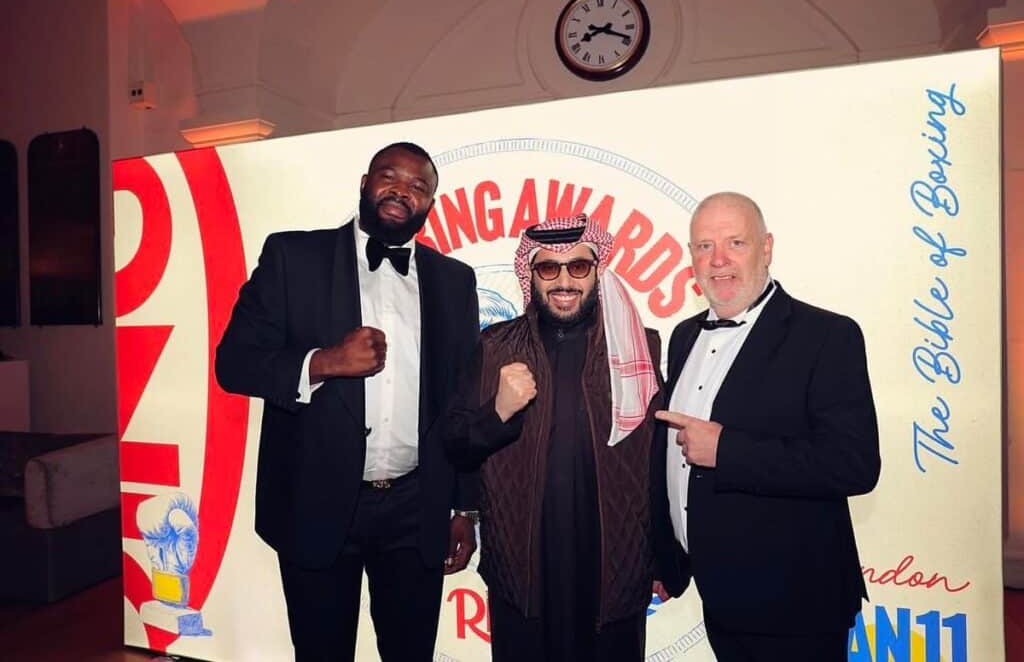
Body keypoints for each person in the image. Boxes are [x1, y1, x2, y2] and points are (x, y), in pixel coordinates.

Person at [215, 142, 480, 662]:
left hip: (416, 508)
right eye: (389, 176)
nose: (402, 190)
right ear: (364, 183)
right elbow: (234, 363)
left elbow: (462, 401)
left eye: (418, 185)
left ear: (429, 205)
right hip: (315, 501)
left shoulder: (454, 281)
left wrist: (465, 507)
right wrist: (324, 362)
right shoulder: (293, 257)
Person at [655, 191, 881, 662]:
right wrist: (665, 554)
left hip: (796, 605)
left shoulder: (828, 336)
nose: (718, 260)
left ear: (767, 248)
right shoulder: (683, 337)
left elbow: (855, 465)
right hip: (719, 599)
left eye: (735, 243)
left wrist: (727, 450)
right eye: (703, 246)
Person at [444, 214, 674, 662]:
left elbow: (659, 459)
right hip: (523, 564)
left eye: (578, 267)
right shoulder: (495, 347)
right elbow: (455, 444)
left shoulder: (639, 346)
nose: (564, 280)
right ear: (530, 276)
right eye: (548, 268)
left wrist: (664, 555)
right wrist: (498, 413)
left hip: (615, 562)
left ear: (597, 271)